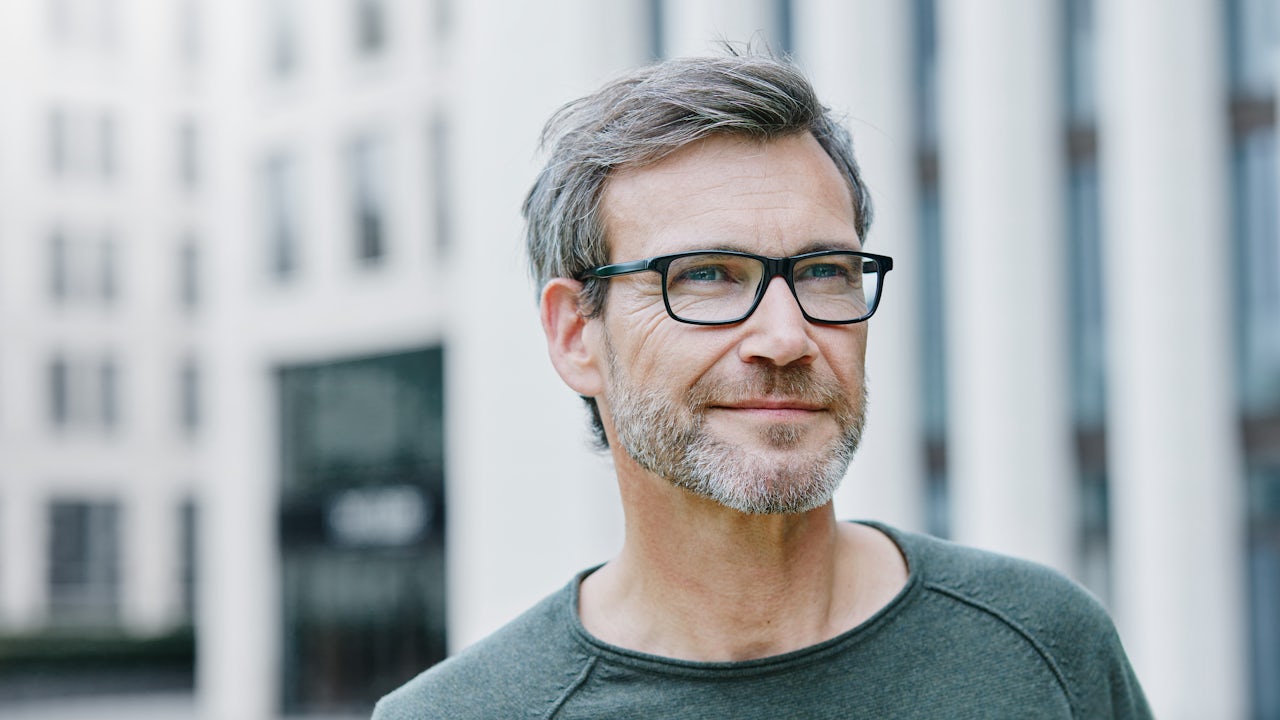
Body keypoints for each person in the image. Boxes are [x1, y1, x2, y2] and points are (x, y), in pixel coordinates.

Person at [373, 51, 1151, 719]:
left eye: (824, 273)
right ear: (577, 334)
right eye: (706, 276)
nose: (785, 337)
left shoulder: (1044, 647)